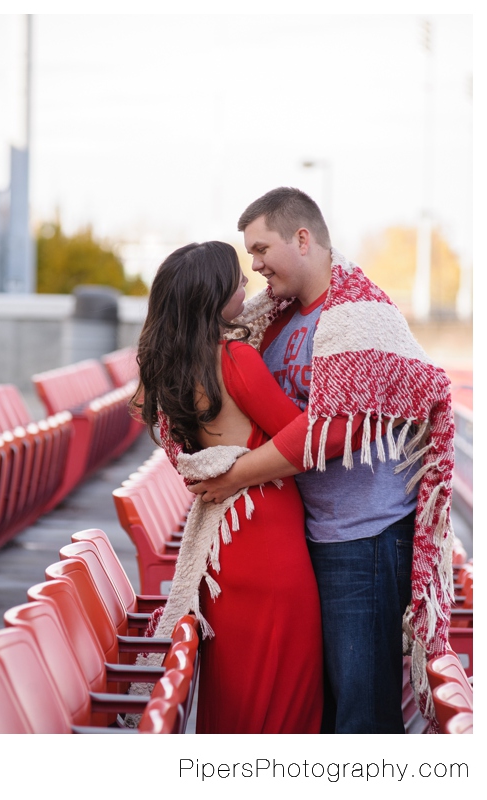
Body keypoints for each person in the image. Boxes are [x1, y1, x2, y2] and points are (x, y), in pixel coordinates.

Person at [189, 188, 456, 734]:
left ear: (303, 239)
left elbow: (338, 431)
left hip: (366, 539)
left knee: (362, 712)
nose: (255, 264)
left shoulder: (360, 312)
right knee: (328, 710)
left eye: (262, 248)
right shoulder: (278, 322)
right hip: (311, 534)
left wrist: (233, 475)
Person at [130, 240, 333, 734]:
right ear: (212, 293)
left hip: (227, 543)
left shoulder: (175, 365)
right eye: (236, 278)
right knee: (287, 692)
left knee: (236, 692)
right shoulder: (234, 357)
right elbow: (300, 433)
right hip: (267, 535)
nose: (246, 282)